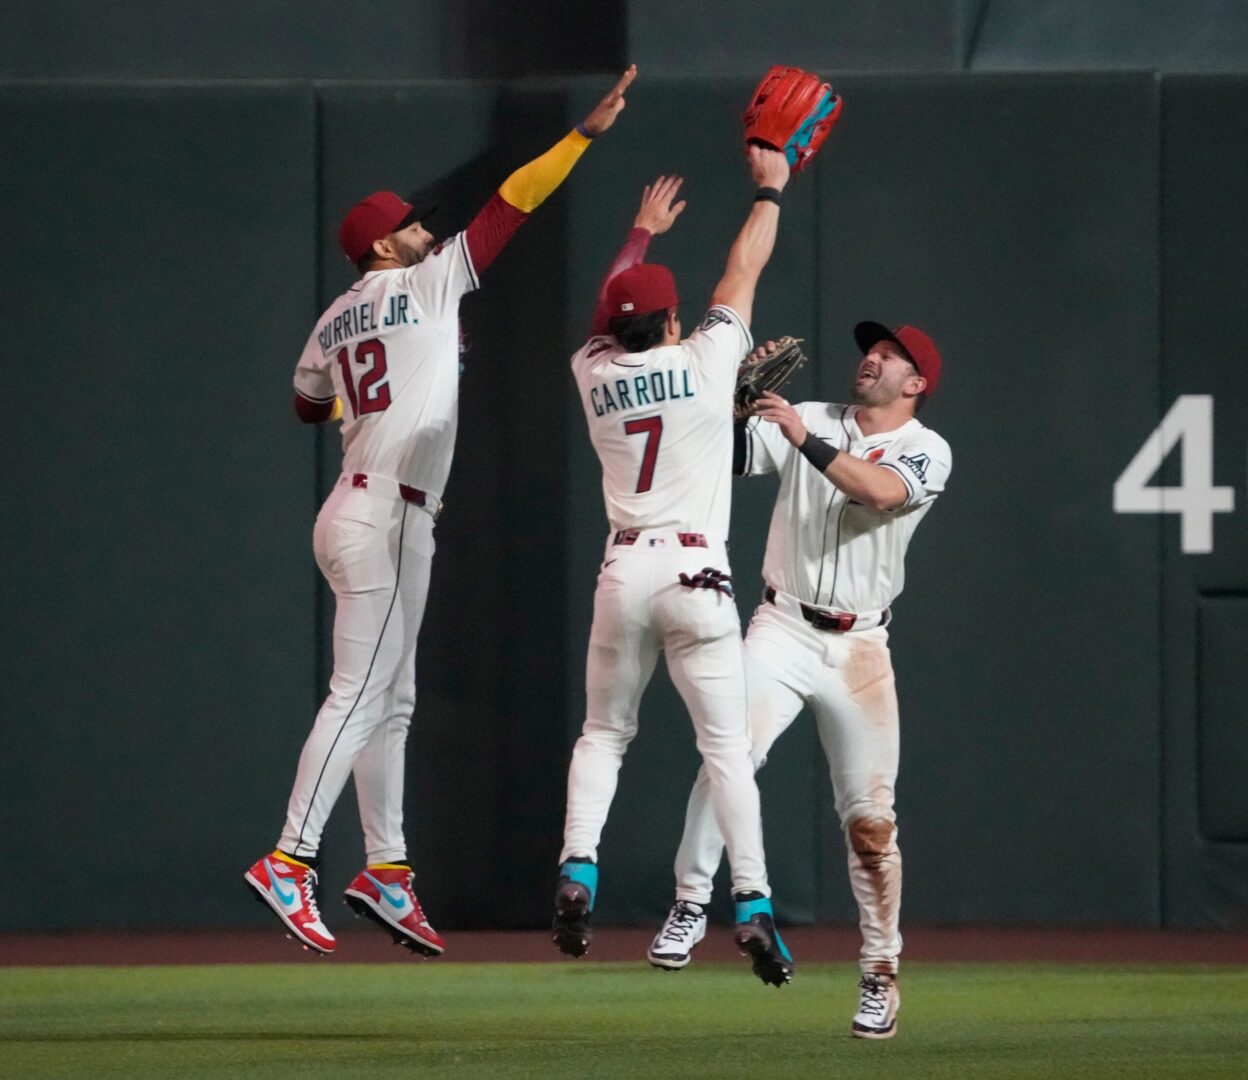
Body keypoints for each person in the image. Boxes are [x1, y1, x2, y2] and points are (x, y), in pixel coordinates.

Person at [244, 66, 638, 957]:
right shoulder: (422, 284)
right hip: (385, 514)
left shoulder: (331, 318)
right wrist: (583, 136)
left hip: (368, 507)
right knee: (360, 694)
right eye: (412, 224)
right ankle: (290, 858)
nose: (426, 229)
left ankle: (386, 868)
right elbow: (511, 204)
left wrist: (366, 404)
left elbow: (307, 404)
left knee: (394, 699)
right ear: (384, 246)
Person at [648, 323, 951, 1036]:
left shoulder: (926, 448)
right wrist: (724, 402)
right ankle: (690, 902)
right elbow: (721, 457)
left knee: (871, 823)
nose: (871, 357)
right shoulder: (811, 414)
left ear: (915, 384)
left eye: (890, 355)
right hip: (781, 626)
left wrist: (798, 436)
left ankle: (880, 974)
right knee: (729, 755)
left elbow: (880, 492)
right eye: (870, 348)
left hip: (861, 647)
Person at [553, 150, 798, 988]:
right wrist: (771, 186)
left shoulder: (590, 370)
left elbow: (608, 307)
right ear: (670, 321)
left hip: (623, 572)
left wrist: (638, 236)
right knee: (728, 750)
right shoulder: (704, 358)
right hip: (697, 574)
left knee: (603, 735)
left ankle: (578, 868)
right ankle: (753, 904)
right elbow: (743, 266)